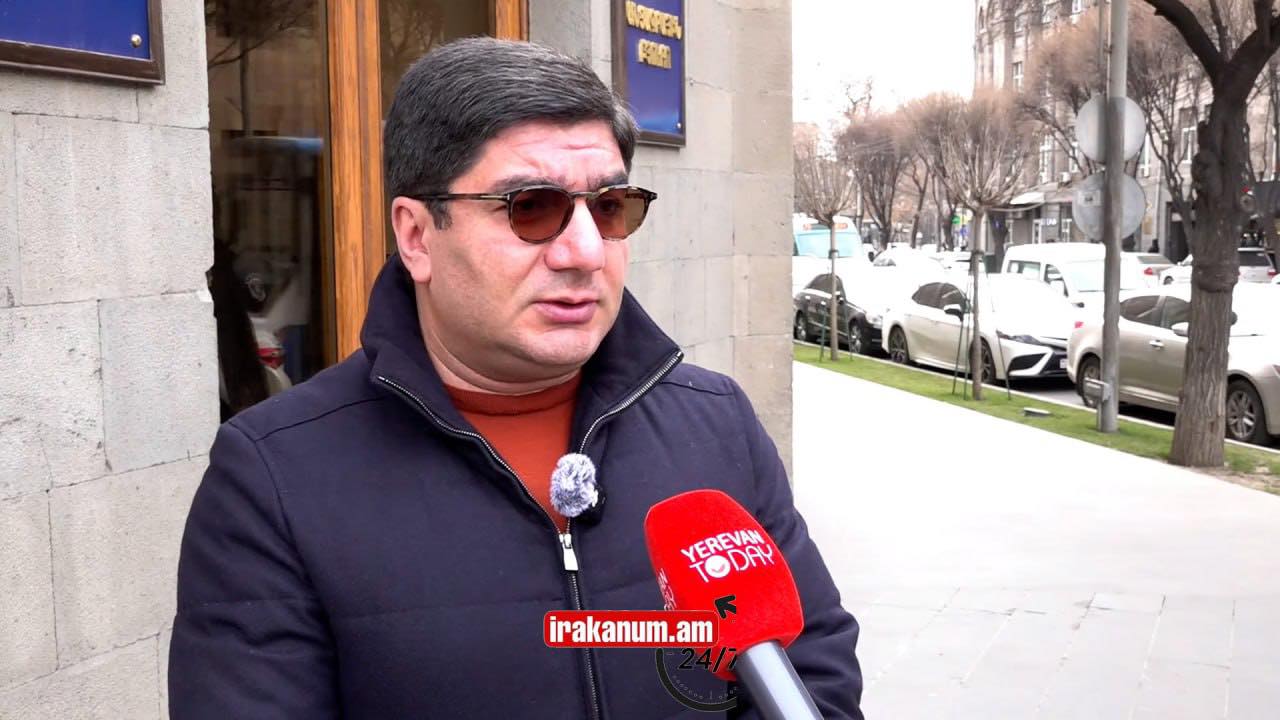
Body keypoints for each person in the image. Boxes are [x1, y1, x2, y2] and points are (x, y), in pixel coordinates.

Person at [169, 38, 863, 719]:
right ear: (416, 236)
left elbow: (815, 672)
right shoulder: (274, 478)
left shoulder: (715, 423)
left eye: (609, 206)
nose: (585, 251)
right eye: (531, 206)